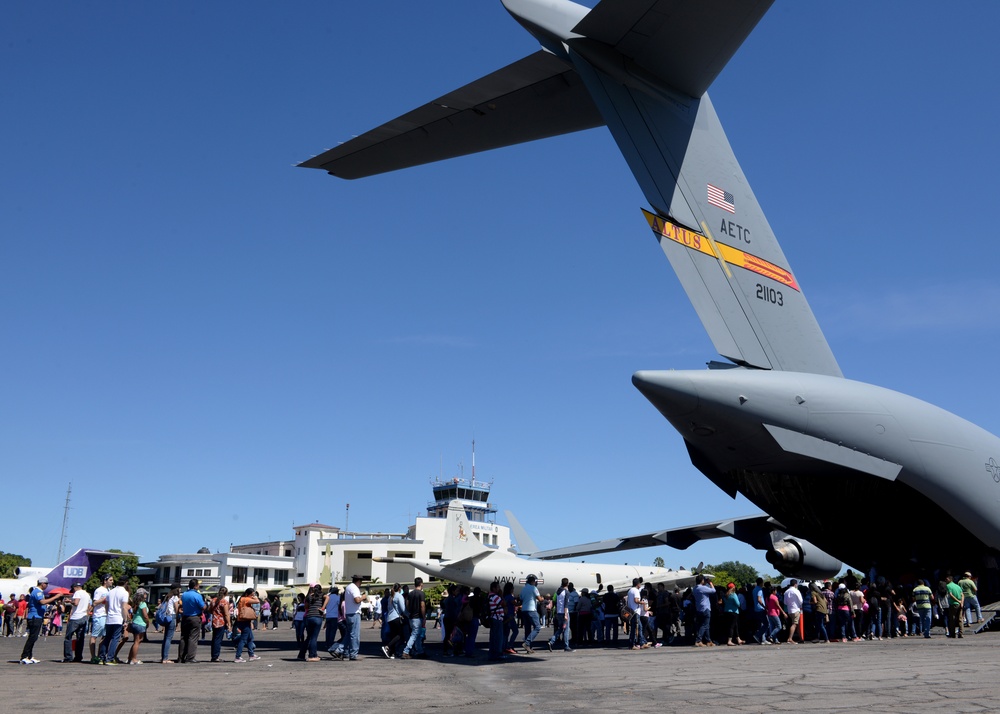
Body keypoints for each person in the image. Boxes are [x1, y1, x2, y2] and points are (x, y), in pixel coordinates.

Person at [20, 576, 66, 664]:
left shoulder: (38, 591)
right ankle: (24, 656)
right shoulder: (38, 592)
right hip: (35, 617)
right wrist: (55, 597)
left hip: (37, 616)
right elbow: (42, 602)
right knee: (32, 637)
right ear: (42, 584)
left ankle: (29, 656)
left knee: (34, 637)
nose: (47, 586)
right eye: (46, 584)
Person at [99, 577, 131, 665]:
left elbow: (106, 605)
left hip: (109, 617)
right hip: (118, 618)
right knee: (115, 638)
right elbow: (124, 607)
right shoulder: (124, 593)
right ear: (126, 583)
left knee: (107, 638)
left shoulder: (110, 591)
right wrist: (125, 620)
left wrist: (108, 613)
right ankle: (110, 658)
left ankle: (102, 657)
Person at [332, 574, 364, 661]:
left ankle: (339, 650)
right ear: (358, 581)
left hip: (349, 613)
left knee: (349, 635)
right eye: (361, 581)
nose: (361, 583)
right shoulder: (355, 588)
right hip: (354, 613)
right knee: (355, 635)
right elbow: (357, 600)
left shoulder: (349, 587)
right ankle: (353, 654)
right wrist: (363, 597)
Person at [178, 579, 206, 663]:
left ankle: (181, 657)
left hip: (185, 616)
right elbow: (202, 607)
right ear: (195, 586)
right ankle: (190, 657)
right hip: (194, 617)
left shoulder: (184, 594)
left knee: (183, 637)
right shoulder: (197, 595)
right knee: (193, 637)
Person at [63, 582, 91, 662]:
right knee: (80, 638)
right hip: (83, 616)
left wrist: (69, 601)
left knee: (68, 637)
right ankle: (78, 656)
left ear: (75, 587)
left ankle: (68, 657)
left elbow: (76, 603)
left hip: (76, 617)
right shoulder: (87, 594)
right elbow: (89, 606)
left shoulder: (77, 593)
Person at [89, 575, 113, 663]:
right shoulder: (99, 590)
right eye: (110, 580)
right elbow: (95, 602)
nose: (112, 582)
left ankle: (100, 655)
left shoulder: (109, 590)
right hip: (99, 615)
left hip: (106, 615)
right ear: (105, 581)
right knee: (94, 636)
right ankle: (93, 656)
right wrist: (103, 599)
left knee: (104, 636)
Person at [298, 584, 325, 662]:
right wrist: (323, 607)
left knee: (309, 637)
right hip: (317, 616)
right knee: (313, 638)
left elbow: (306, 607)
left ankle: (301, 654)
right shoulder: (321, 595)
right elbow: (327, 597)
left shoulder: (309, 596)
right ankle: (312, 655)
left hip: (308, 617)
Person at [124, 588, 151, 664]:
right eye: (145, 594)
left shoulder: (136, 603)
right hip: (140, 624)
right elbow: (145, 615)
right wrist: (147, 622)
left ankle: (130, 658)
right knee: (137, 642)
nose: (146, 595)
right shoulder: (143, 604)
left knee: (135, 642)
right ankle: (134, 659)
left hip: (134, 623)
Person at [402, 577, 426, 659]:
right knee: (415, 634)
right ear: (421, 584)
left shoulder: (410, 594)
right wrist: (424, 616)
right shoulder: (421, 594)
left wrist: (410, 612)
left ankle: (420, 651)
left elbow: (407, 604)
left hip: (411, 617)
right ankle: (406, 651)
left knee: (417, 635)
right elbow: (422, 605)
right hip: (418, 617)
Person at [234, 588, 261, 662]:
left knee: (250, 638)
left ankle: (251, 655)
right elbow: (257, 601)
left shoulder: (242, 599)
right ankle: (238, 657)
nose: (253, 596)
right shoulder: (245, 599)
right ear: (248, 594)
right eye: (252, 594)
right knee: (243, 639)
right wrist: (255, 596)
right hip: (244, 621)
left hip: (242, 621)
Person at [382, 583, 407, 659]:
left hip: (389, 618)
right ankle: (387, 647)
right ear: (399, 589)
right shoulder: (399, 596)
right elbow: (403, 609)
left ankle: (391, 652)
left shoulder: (390, 597)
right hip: (395, 618)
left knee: (393, 635)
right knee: (399, 635)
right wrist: (408, 615)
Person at [547, 578, 573, 652]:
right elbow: (566, 604)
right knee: (566, 630)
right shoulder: (566, 592)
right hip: (564, 612)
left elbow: (556, 602)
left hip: (559, 612)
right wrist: (565, 614)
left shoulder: (558, 592)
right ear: (567, 584)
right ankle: (566, 646)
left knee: (561, 629)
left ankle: (551, 641)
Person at [519, 575, 542, 654]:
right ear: (533, 582)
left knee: (527, 629)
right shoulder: (534, 588)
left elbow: (521, 598)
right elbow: (539, 599)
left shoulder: (523, 589)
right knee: (537, 627)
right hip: (531, 609)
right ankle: (527, 643)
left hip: (524, 610)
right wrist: (542, 599)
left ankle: (528, 648)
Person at [158, 587, 181, 664]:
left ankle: (163, 657)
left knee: (165, 638)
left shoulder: (168, 596)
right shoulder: (175, 597)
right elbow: (176, 608)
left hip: (166, 617)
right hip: (172, 616)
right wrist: (178, 617)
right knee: (169, 638)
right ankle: (165, 658)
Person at [209, 586, 232, 662]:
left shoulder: (213, 600)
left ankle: (213, 655)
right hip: (221, 622)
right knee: (218, 639)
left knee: (214, 639)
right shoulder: (224, 602)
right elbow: (226, 614)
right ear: (226, 593)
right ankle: (215, 656)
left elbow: (209, 610)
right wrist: (229, 624)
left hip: (214, 621)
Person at [692, 575, 715, 647]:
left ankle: (708, 640)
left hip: (699, 608)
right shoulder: (702, 588)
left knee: (706, 625)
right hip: (706, 608)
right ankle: (698, 640)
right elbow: (713, 591)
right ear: (702, 580)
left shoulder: (695, 588)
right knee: (704, 625)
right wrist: (710, 583)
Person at [486, 580, 506, 660]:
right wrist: (501, 595)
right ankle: (498, 653)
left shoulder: (489, 596)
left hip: (493, 617)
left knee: (493, 637)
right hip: (497, 618)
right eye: (498, 587)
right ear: (494, 588)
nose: (499, 589)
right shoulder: (495, 596)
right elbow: (503, 603)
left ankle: (493, 653)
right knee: (498, 637)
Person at [945, 573, 964, 639]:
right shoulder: (957, 586)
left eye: (947, 579)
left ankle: (952, 634)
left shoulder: (948, 586)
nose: (946, 580)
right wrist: (961, 602)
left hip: (953, 604)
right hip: (959, 604)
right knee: (960, 619)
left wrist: (958, 601)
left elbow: (951, 595)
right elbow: (962, 594)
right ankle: (961, 633)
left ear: (950, 579)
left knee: (952, 619)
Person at [323, 586, 341, 651]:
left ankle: (327, 642)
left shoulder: (328, 597)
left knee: (328, 630)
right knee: (333, 631)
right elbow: (340, 606)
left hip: (328, 616)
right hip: (335, 616)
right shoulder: (338, 597)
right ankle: (330, 643)